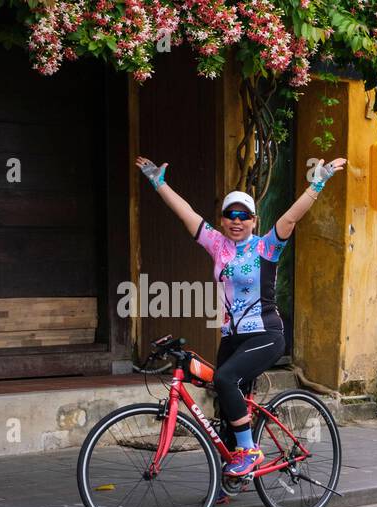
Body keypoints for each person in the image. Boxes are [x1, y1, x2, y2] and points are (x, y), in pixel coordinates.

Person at [134, 154, 346, 479]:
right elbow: (186, 213)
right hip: (232, 340)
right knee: (226, 406)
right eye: (230, 215)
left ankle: (250, 451)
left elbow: (290, 218)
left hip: (266, 335)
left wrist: (316, 185)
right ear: (222, 220)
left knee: (224, 379)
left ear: (254, 221)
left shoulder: (266, 248)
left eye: (243, 216)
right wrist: (159, 184)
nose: (236, 221)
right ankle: (231, 479)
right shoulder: (217, 245)